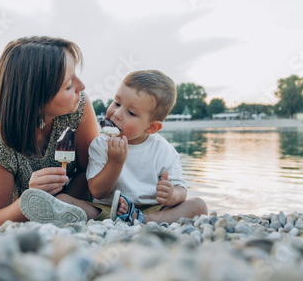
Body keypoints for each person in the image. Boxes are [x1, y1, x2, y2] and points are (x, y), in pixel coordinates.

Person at [0, 36, 100, 225]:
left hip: (80, 209)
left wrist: (58, 204)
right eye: (69, 84)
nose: (81, 86)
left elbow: (90, 171)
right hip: (24, 218)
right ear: (36, 100)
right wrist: (33, 199)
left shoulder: (78, 105)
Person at [56, 70, 208, 224]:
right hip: (107, 209)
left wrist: (172, 195)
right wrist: (114, 163)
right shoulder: (100, 144)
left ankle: (144, 219)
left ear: (152, 128)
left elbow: (181, 189)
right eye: (116, 103)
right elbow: (97, 192)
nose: (117, 114)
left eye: (131, 113)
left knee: (198, 205)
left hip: (152, 208)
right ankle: (131, 219)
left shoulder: (163, 150)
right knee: (62, 200)